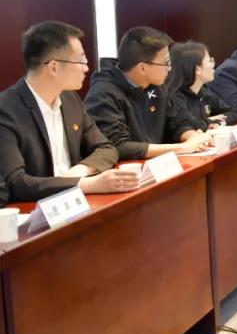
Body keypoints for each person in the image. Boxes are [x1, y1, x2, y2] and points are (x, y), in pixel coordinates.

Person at [0, 21, 138, 201]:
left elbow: (106, 148)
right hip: (35, 208)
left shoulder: (70, 100)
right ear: (54, 67)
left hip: (75, 203)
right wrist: (86, 184)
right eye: (81, 60)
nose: (86, 68)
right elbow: (16, 183)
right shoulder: (6, 109)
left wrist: (80, 171)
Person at [85, 26, 213, 161]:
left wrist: (193, 137)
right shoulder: (103, 93)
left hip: (157, 165)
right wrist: (182, 148)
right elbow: (118, 146)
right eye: (166, 62)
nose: (169, 68)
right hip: (126, 169)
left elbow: (176, 122)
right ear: (142, 68)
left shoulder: (156, 85)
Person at [166, 41, 237, 131]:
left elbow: (233, 113)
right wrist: (209, 121)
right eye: (209, 61)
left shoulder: (204, 92)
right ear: (197, 69)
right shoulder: (175, 97)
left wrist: (218, 123)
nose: (213, 65)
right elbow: (192, 124)